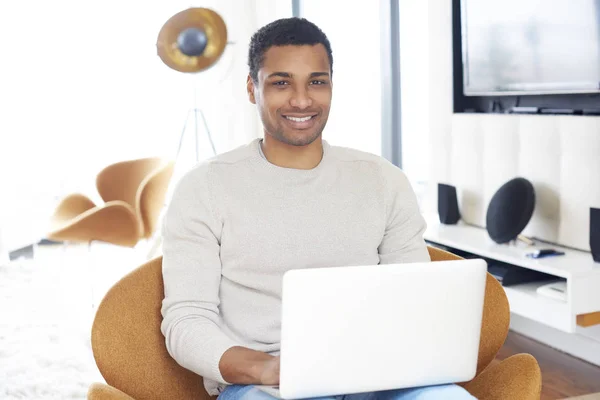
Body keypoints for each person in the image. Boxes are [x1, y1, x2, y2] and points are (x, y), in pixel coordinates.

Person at [160, 17, 476, 400]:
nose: (301, 100)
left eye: (316, 81)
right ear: (251, 88)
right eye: (281, 82)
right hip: (265, 386)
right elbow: (187, 320)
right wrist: (269, 368)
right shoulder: (204, 187)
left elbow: (414, 304)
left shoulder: (383, 181)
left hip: (383, 377)